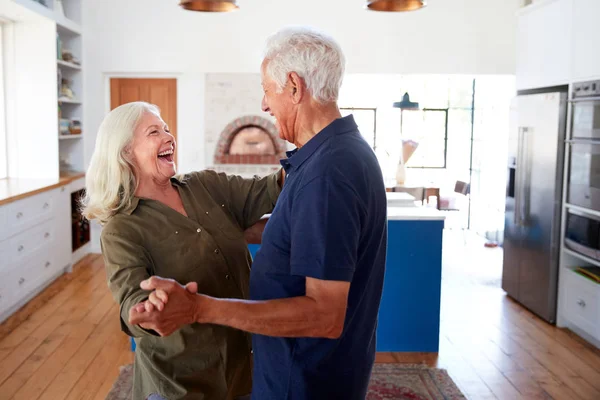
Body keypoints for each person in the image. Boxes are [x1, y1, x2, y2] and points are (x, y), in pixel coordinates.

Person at [131, 26, 387, 400]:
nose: (264, 105)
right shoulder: (338, 153)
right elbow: (301, 236)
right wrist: (213, 225)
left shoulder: (328, 174)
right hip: (313, 374)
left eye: (267, 90)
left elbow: (323, 316)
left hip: (304, 383)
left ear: (295, 88)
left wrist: (198, 308)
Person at [82, 101, 283, 400]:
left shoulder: (207, 185)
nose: (168, 136)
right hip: (180, 386)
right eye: (154, 132)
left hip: (245, 371)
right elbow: (131, 299)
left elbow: (273, 189)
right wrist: (151, 309)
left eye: (166, 128)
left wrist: (311, 147)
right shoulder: (121, 229)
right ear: (126, 152)